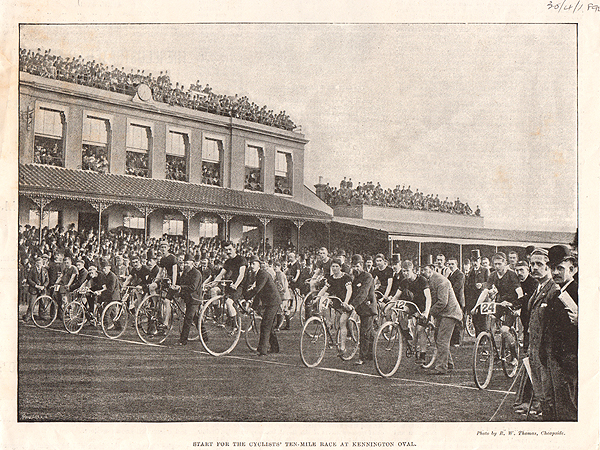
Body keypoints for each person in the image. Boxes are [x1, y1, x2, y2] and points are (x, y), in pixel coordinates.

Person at [543, 245, 578, 421]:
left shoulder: (577, 292)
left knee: (568, 409)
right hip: (558, 357)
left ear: (573, 269)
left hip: (569, 359)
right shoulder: (559, 292)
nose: (555, 272)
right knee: (560, 405)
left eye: (560, 268)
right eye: (552, 268)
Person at [527, 248, 560, 420]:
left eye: (539, 264)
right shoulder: (538, 288)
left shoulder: (553, 290)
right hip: (535, 351)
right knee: (540, 394)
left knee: (549, 397)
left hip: (546, 354)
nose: (534, 267)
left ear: (549, 267)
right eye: (532, 264)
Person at [421, 262, 462, 375]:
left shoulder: (441, 281)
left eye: (424, 269)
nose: (422, 272)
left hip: (450, 313)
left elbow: (442, 302)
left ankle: (441, 367)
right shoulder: (429, 280)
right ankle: (448, 363)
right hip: (443, 313)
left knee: (442, 339)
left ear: (431, 269)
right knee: (438, 338)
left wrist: (429, 313)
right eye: (421, 270)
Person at [513, 259, 539, 415]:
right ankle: (527, 400)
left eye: (522, 270)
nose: (519, 273)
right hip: (527, 326)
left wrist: (516, 303)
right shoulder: (517, 282)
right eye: (517, 270)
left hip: (533, 328)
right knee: (528, 361)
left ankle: (534, 402)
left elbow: (526, 300)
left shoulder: (534, 283)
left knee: (533, 363)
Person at [245, 255, 281, 356]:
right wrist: (253, 307)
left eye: (253, 264)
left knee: (265, 325)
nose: (251, 266)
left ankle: (262, 350)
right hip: (270, 302)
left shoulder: (262, 274)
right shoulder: (257, 274)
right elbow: (259, 293)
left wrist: (247, 297)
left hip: (273, 302)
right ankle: (275, 347)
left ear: (259, 265)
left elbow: (257, 290)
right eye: (250, 264)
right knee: (268, 325)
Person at [316, 258, 353, 356]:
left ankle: (343, 347)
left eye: (337, 266)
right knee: (325, 303)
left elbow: (349, 290)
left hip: (346, 302)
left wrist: (346, 302)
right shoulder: (331, 278)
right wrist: (317, 297)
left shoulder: (346, 277)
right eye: (333, 266)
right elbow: (325, 289)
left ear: (340, 267)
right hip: (336, 301)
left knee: (342, 323)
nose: (335, 268)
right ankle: (328, 322)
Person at [398, 260, 432, 365]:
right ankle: (407, 335)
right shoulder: (404, 281)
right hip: (412, 306)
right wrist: (388, 306)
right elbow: (396, 296)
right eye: (403, 271)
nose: (405, 273)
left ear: (413, 270)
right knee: (401, 312)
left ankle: (423, 354)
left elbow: (428, 297)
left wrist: (426, 312)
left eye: (407, 271)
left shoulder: (422, 280)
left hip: (422, 307)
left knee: (420, 329)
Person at [348, 255, 377, 365]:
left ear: (362, 265)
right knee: (369, 332)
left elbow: (363, 294)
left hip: (368, 308)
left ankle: (362, 357)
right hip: (360, 308)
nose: (356, 268)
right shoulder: (354, 277)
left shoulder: (368, 277)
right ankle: (371, 353)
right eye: (354, 266)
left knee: (364, 332)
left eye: (358, 266)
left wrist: (352, 305)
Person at [212, 241, 247, 331]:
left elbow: (241, 274)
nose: (228, 252)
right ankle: (218, 312)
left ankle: (235, 325)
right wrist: (213, 283)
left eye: (230, 249)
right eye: (226, 250)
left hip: (239, 286)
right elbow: (221, 274)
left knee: (228, 302)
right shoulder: (227, 261)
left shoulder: (241, 259)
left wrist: (236, 284)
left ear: (234, 248)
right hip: (229, 285)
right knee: (214, 290)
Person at [173, 254, 203, 346]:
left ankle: (183, 340)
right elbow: (181, 283)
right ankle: (204, 336)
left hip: (195, 299)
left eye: (187, 263)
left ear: (193, 263)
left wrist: (180, 287)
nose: (185, 264)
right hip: (188, 298)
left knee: (188, 319)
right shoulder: (185, 272)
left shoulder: (196, 273)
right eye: (184, 263)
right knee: (195, 317)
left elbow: (193, 287)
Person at [465, 249, 490, 336]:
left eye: (477, 260)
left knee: (483, 320)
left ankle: (484, 338)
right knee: (475, 320)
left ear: (480, 261)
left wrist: (482, 285)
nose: (475, 263)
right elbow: (468, 286)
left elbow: (489, 283)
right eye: (473, 261)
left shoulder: (485, 270)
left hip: (483, 299)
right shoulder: (471, 272)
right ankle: (478, 337)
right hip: (474, 299)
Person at [446, 257, 465, 347]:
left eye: (452, 264)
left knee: (458, 320)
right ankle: (453, 340)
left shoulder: (460, 274)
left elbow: (457, 287)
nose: (451, 266)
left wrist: (448, 293)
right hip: (452, 299)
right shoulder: (450, 274)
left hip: (458, 299)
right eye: (449, 264)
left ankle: (458, 340)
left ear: (456, 264)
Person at [24, 256, 49, 322]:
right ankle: (28, 316)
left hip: (42, 290)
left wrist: (44, 286)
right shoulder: (32, 270)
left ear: (42, 263)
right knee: (32, 304)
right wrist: (36, 286)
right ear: (35, 263)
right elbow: (29, 279)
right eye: (37, 262)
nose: (39, 264)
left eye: (40, 262)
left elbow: (47, 280)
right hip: (34, 290)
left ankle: (42, 315)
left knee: (42, 303)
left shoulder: (45, 270)